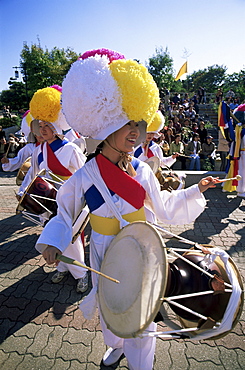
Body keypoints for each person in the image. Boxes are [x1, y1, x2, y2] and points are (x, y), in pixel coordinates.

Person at [35, 48, 218, 370]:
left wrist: (194, 190)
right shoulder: (85, 175)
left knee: (144, 313)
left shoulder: (144, 170)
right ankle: (116, 346)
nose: (136, 132)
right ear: (106, 129)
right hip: (104, 250)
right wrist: (52, 242)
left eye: (138, 124)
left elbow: (164, 208)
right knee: (112, 309)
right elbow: (65, 213)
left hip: (143, 247)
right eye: (126, 125)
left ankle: (140, 364)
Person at [18, 86, 89, 293]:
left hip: (72, 200)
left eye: (47, 125)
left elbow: (85, 174)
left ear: (57, 126)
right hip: (50, 200)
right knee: (56, 233)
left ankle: (82, 273)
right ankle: (64, 266)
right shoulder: (40, 150)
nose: (42, 129)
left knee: (72, 237)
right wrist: (24, 193)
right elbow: (34, 176)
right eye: (40, 125)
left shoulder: (71, 149)